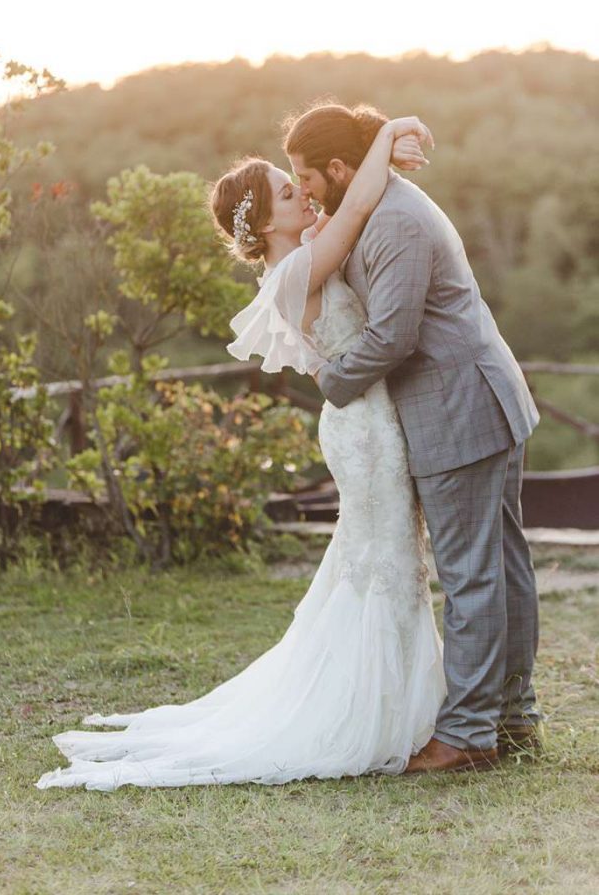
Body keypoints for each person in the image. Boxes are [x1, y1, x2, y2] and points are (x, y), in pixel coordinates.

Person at [36, 115, 446, 792]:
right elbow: (363, 200)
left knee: (389, 559)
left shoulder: (302, 249)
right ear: (264, 224)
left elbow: (352, 203)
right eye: (290, 194)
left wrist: (376, 145)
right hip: (363, 430)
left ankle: (406, 705)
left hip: (369, 419)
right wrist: (387, 130)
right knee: (387, 563)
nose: (305, 197)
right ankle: (378, 714)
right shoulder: (293, 271)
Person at [284, 102, 544, 774]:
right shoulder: (375, 203)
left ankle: (467, 736)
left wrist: (333, 381)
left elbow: (394, 335)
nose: (304, 189)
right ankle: (514, 718)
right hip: (476, 398)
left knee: (473, 573)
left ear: (340, 168)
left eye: (305, 176)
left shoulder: (396, 221)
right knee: (499, 566)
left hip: (460, 407)